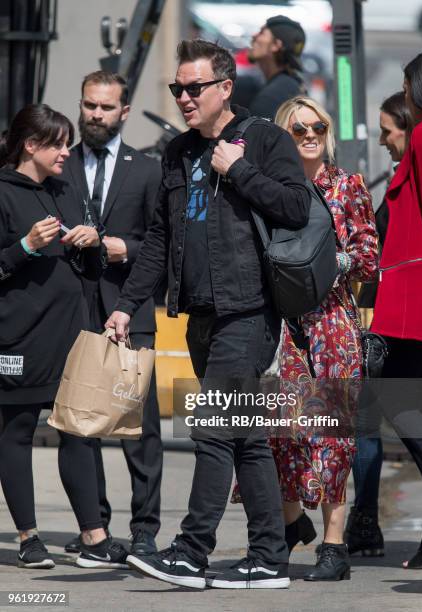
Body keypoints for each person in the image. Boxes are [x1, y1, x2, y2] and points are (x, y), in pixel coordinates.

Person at [106, 39, 311, 590]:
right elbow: (158, 240)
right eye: (178, 89)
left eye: (194, 88)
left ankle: (192, 551)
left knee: (215, 431)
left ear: (225, 87)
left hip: (249, 311)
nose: (183, 98)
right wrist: (127, 306)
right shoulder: (176, 153)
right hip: (198, 316)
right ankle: (269, 555)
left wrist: (241, 171)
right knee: (243, 436)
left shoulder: (263, 139)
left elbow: (297, 208)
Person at [0, 104, 127, 570]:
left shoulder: (66, 190)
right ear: (30, 146)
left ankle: (94, 536)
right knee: (15, 433)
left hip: (71, 335)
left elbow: (89, 271)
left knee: (78, 432)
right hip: (17, 338)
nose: (65, 152)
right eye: (57, 143)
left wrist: (93, 243)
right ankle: (28, 537)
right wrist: (26, 246)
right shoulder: (2, 193)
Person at [268, 96, 378, 580]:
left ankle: (334, 548)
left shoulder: (347, 186)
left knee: (333, 435)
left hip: (332, 323)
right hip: (282, 325)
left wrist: (332, 264)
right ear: (283, 136)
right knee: (279, 432)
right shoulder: (270, 189)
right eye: (298, 129)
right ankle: (293, 523)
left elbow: (369, 255)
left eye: (318, 126)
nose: (310, 134)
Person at [60, 70, 163, 557]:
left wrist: (126, 247)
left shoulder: (146, 169)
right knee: (80, 422)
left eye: (105, 108)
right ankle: (94, 530)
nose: (95, 115)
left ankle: (144, 531)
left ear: (124, 112)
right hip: (74, 308)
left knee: (139, 427)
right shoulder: (60, 167)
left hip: (130, 306)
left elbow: (163, 246)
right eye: (89, 106)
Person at [347, 91, 413, 558]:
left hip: (401, 325)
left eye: (388, 130)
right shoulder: (400, 177)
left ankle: (365, 519)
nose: (384, 139)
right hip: (380, 321)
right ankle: (364, 520)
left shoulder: (411, 183)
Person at [371, 52, 422, 570]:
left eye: (389, 129)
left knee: (391, 393)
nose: (384, 137)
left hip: (416, 310)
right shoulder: (411, 154)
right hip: (405, 309)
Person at [248, 15, 306, 120]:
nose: (253, 36)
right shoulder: (292, 85)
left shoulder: (270, 98)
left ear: (276, 45)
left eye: (261, 32)